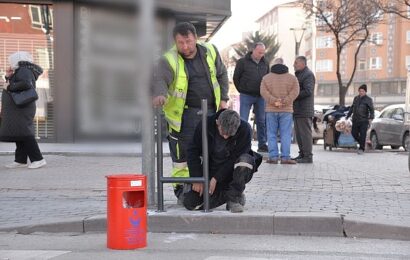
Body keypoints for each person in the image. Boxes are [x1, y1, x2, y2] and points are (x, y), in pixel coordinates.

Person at [152, 22, 229, 203]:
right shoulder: (168, 59)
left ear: (196, 38)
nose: (185, 47)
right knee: (183, 155)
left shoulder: (210, 51)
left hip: (211, 112)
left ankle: (211, 187)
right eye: (180, 42)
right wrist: (161, 95)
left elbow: (222, 74)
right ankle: (183, 190)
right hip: (184, 116)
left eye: (188, 41)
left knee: (213, 150)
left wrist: (223, 100)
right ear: (175, 41)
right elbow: (160, 80)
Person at [183, 109, 262, 213]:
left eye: (229, 135)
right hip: (211, 170)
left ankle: (234, 196)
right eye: (223, 133)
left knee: (245, 160)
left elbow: (235, 157)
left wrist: (216, 178)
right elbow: (192, 151)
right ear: (217, 123)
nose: (226, 137)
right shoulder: (205, 125)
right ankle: (229, 195)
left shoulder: (245, 129)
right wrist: (197, 178)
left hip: (233, 172)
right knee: (190, 203)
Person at [0, 51, 46, 169]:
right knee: (19, 132)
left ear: (17, 59)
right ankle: (20, 160)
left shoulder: (24, 70)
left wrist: (9, 86)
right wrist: (8, 77)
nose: (10, 62)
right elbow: (18, 83)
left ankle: (38, 159)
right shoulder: (20, 70)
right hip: (18, 107)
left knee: (25, 132)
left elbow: (26, 84)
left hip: (23, 107)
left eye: (11, 60)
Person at [260, 58, 299, 164]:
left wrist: (274, 101)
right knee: (286, 134)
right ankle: (285, 157)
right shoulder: (292, 78)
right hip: (286, 110)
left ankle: (273, 157)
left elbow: (263, 92)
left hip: (270, 110)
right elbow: (296, 91)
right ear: (284, 65)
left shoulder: (266, 78)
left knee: (271, 133)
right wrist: (285, 101)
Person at [233, 42, 269, 153]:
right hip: (246, 95)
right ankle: (243, 144)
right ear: (253, 50)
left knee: (262, 121)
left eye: (263, 53)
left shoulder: (265, 63)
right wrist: (242, 89)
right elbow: (236, 78)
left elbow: (268, 78)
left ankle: (262, 144)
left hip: (261, 96)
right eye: (259, 52)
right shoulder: (242, 62)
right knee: (243, 120)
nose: (261, 55)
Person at [292, 56, 315, 163]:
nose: (294, 65)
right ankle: (302, 154)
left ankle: (308, 156)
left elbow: (308, 91)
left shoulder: (308, 75)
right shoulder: (299, 75)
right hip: (297, 110)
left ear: (302, 64)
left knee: (305, 134)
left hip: (304, 110)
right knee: (299, 135)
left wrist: (293, 95)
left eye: (296, 63)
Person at [346, 84, 374, 154]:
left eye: (362, 91)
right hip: (355, 119)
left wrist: (371, 118)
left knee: (362, 134)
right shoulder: (356, 98)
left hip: (364, 120)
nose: (361, 92)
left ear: (365, 92)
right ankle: (362, 143)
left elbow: (371, 109)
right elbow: (352, 108)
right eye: (360, 91)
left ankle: (361, 148)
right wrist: (348, 116)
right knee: (353, 133)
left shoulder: (368, 100)